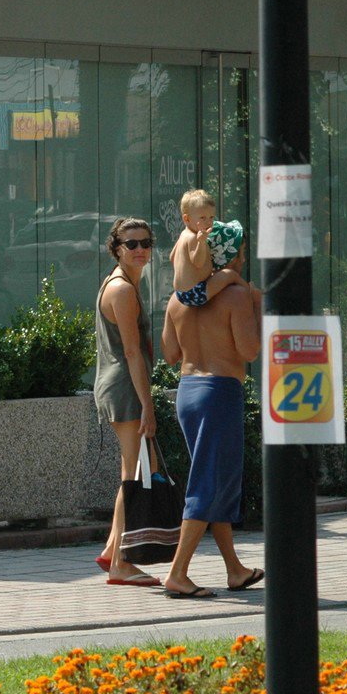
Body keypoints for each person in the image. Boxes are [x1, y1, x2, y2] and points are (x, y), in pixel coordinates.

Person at [160, 222, 265, 599]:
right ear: (234, 255)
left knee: (215, 478)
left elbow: (171, 355)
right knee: (207, 482)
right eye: (242, 249)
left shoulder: (178, 300)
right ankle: (178, 573)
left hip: (188, 391)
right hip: (220, 391)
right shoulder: (238, 297)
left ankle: (234, 569)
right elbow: (249, 351)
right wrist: (256, 306)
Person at [92, 217, 162, 587]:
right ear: (116, 248)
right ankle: (120, 563)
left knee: (133, 470)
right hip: (124, 388)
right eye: (131, 244)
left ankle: (110, 550)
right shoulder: (121, 290)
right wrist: (148, 406)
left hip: (119, 385)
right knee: (133, 476)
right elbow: (133, 353)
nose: (140, 250)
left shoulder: (124, 284)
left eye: (146, 243)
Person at [171, 190, 248, 308]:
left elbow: (172, 256)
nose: (208, 222)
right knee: (230, 274)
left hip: (181, 293)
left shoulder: (183, 235)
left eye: (211, 217)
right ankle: (249, 290)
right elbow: (198, 262)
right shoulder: (194, 238)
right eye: (202, 218)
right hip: (196, 292)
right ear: (186, 219)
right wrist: (201, 242)